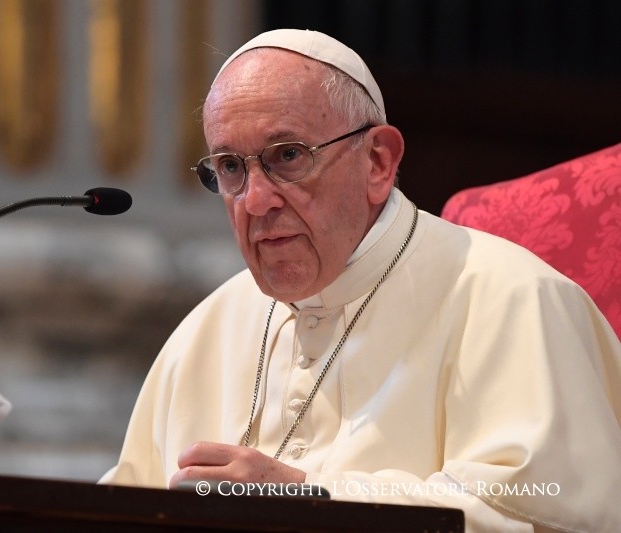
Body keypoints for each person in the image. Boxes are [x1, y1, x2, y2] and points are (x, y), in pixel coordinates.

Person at [100, 29, 621, 531]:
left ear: (378, 162)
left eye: (287, 155)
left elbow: (538, 512)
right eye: (231, 166)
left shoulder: (514, 298)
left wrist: (306, 498)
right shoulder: (203, 332)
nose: (255, 200)